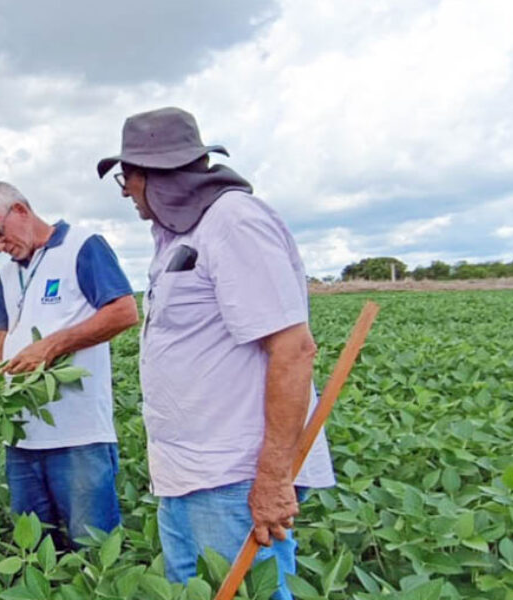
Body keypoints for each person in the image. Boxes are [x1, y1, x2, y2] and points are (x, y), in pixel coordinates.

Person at [98, 107, 335, 598]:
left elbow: (292, 349)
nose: (125, 190)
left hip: (234, 475)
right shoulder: (179, 233)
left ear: (156, 173)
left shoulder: (233, 222)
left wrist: (272, 478)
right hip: (189, 474)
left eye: (128, 176)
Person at [0, 181, 138, 549]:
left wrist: (51, 346)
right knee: (35, 548)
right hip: (22, 436)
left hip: (79, 436)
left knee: (91, 549)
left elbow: (124, 312)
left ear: (22, 211)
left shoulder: (82, 246)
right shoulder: (8, 274)